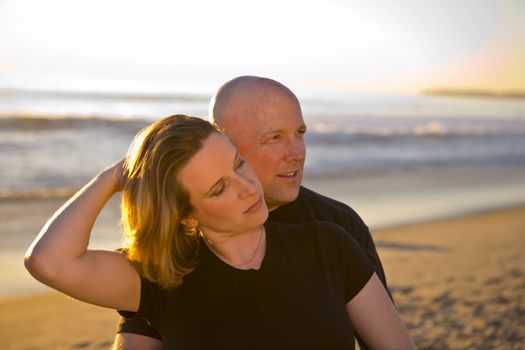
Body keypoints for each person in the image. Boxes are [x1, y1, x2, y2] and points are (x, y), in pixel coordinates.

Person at [25, 114, 415, 349]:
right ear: (186, 217)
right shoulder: (160, 279)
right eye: (219, 188)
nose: (248, 186)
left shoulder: (328, 245)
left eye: (239, 163)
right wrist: (114, 175)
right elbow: (48, 262)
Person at [115, 76, 393, 350]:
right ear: (222, 143)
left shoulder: (338, 225)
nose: (297, 152)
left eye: (300, 133)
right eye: (275, 138)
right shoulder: (179, 235)